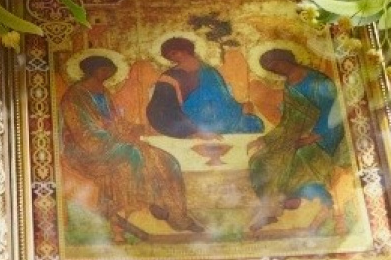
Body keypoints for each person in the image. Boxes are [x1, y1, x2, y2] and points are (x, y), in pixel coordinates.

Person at [60, 54, 202, 236]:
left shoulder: (103, 92)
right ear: (94, 70)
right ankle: (148, 202)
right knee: (133, 154)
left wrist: (135, 128)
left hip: (113, 142)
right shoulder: (75, 95)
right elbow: (82, 131)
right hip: (87, 149)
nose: (109, 75)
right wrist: (117, 136)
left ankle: (177, 216)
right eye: (106, 70)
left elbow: (115, 121)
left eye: (111, 71)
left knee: (168, 161)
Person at [247, 49, 345, 232]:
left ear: (286, 58)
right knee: (260, 160)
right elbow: (288, 121)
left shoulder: (318, 81)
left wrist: (312, 137)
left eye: (275, 64)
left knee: (297, 159)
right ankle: (270, 209)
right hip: (299, 135)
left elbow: (334, 111)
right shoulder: (289, 85)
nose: (276, 69)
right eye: (271, 68)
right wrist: (266, 139)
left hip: (326, 135)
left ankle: (325, 206)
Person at [146, 36, 264, 138]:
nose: (174, 59)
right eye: (169, 57)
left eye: (174, 53)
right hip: (193, 123)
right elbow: (160, 110)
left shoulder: (210, 71)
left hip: (221, 119)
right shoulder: (169, 77)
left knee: (253, 123)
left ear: (186, 50)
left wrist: (240, 108)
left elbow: (223, 98)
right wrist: (193, 130)